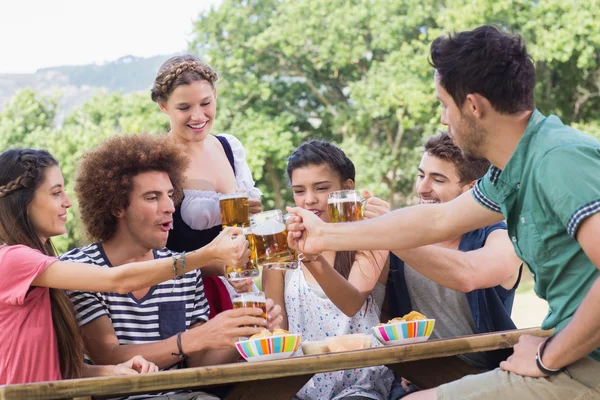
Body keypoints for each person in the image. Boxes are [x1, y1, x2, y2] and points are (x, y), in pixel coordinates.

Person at [287, 25, 600, 399]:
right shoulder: (515, 168)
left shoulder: (557, 158)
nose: (442, 119)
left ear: (473, 106)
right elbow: (438, 220)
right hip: (568, 354)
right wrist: (326, 235)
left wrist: (549, 357)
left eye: (444, 105)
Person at [0, 147, 246, 385]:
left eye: (170, 195)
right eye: (56, 193)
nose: (67, 202)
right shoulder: (14, 260)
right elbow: (117, 281)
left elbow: (61, 370)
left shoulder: (44, 272)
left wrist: (113, 371)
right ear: (24, 202)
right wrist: (207, 255)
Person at [62, 134, 282, 400]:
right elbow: (108, 356)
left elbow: (200, 363)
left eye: (169, 195)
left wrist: (244, 332)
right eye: (152, 197)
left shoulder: (185, 274)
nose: (169, 207)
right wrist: (194, 338)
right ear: (117, 207)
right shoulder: (81, 269)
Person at [386, 132, 522, 399]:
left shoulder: (501, 238)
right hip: (415, 375)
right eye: (420, 175)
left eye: (437, 179)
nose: (422, 188)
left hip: (485, 377)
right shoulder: (403, 241)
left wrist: (389, 234)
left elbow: (468, 274)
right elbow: (375, 311)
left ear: (471, 189)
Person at [264, 140, 393, 400]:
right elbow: (279, 334)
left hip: (360, 385)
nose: (310, 200)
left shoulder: (371, 239)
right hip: (299, 387)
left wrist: (311, 257)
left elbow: (351, 301)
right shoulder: (282, 248)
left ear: (347, 188)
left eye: (321, 188)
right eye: (299, 191)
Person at [151, 54, 262, 314]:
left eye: (205, 103)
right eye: (184, 107)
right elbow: (150, 254)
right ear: (163, 106)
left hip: (241, 289)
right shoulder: (156, 162)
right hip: (187, 298)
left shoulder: (229, 147)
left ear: (215, 94)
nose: (198, 115)